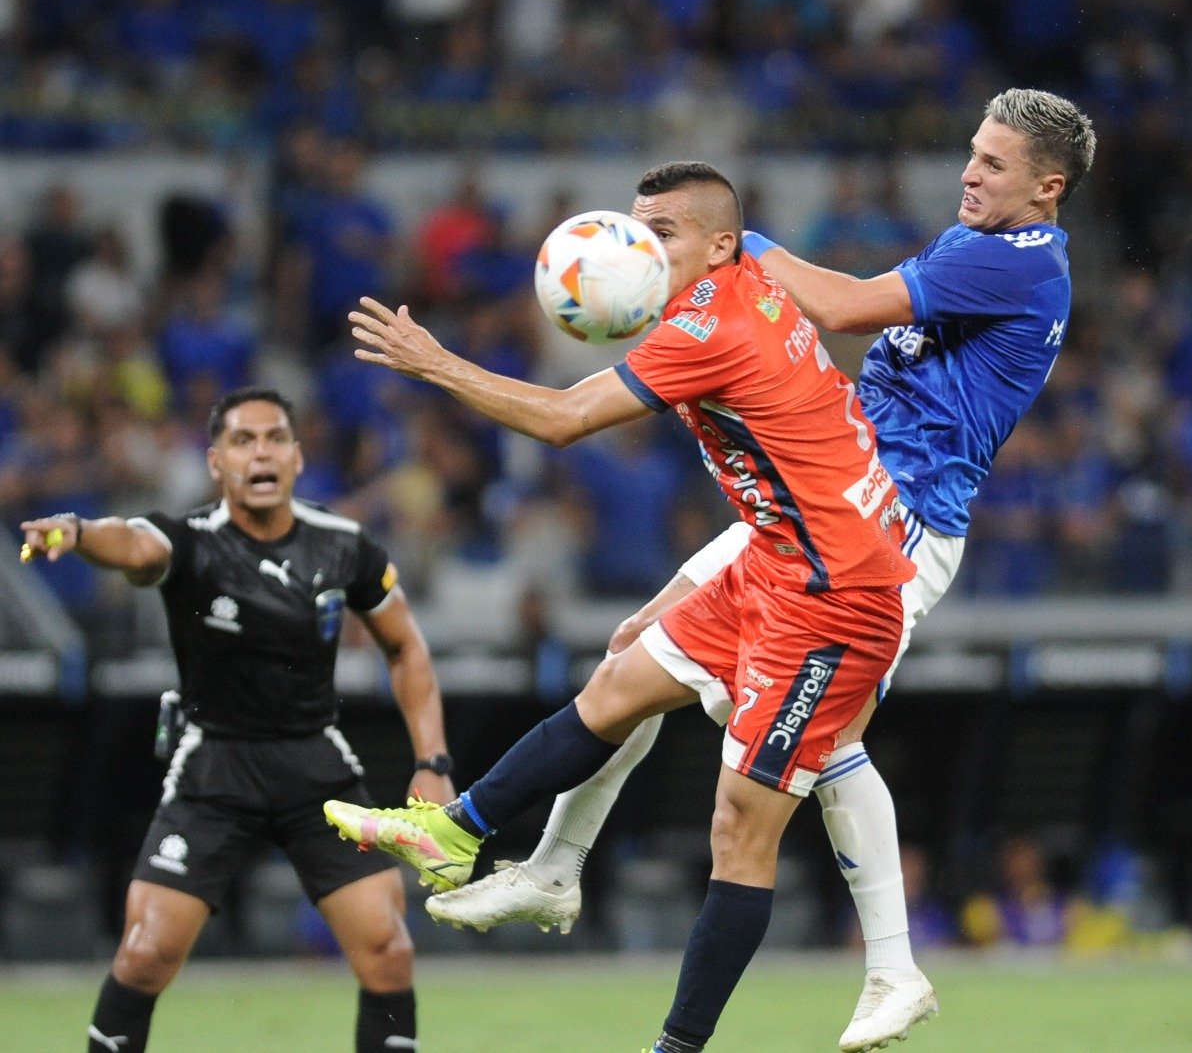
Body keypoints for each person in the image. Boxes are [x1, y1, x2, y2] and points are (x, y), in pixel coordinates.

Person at [422, 88, 1096, 1050]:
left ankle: (893, 968)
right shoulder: (978, 243)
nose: (969, 172)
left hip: (896, 520)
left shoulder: (1017, 259)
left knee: (824, 747)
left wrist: (729, 239)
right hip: (824, 493)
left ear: (1047, 187)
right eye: (971, 153)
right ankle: (555, 866)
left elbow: (845, 306)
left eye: (992, 163)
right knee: (633, 652)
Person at [323, 160, 917, 1053]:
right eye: (636, 232)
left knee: (739, 830)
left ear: (719, 246)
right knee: (615, 688)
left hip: (836, 598)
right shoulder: (739, 283)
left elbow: (564, 420)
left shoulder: (711, 325)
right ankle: (457, 831)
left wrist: (435, 363)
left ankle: (680, 1046)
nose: (640, 250)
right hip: (777, 559)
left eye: (662, 234)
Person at [18, 387, 454, 1053]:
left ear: (297, 458)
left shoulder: (345, 546)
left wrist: (433, 762)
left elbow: (406, 648)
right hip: (215, 764)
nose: (261, 453)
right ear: (216, 461)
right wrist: (78, 533)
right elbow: (132, 544)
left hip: (314, 764)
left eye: (275, 438)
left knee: (388, 951)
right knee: (146, 952)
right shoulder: (190, 542)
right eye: (243, 441)